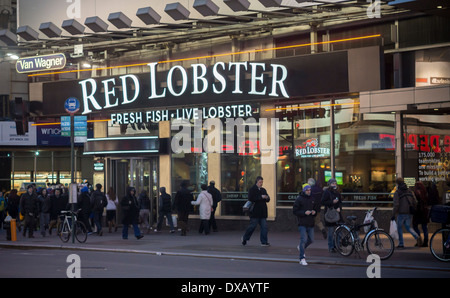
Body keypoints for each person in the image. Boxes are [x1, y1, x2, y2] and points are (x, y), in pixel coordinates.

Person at [293, 184, 320, 265]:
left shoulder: (312, 199)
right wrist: (304, 212)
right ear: (304, 191)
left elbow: (315, 208)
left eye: (310, 190)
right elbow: (295, 211)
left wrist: (314, 212)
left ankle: (301, 248)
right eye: (307, 190)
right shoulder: (299, 199)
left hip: (310, 222)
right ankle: (302, 258)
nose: (309, 191)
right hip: (302, 222)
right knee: (303, 239)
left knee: (311, 240)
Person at [392, 177, 422, 248]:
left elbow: (396, 205)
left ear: (397, 183)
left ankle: (401, 243)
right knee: (408, 227)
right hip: (409, 212)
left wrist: (393, 214)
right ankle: (417, 236)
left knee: (399, 228)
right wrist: (412, 208)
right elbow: (415, 201)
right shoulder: (410, 191)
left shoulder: (397, 192)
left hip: (401, 213)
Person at [241, 176, 270, 246]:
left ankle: (264, 242)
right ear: (256, 182)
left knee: (264, 227)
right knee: (252, 226)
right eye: (260, 182)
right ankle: (245, 238)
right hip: (255, 212)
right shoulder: (252, 189)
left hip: (263, 212)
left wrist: (266, 197)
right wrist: (261, 197)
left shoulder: (263, 190)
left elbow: (268, 199)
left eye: (262, 182)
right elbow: (251, 198)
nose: (261, 183)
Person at [321, 178, 343, 252]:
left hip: (337, 214)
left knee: (339, 230)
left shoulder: (337, 192)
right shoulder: (326, 192)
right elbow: (323, 202)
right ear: (329, 184)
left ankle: (337, 245)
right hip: (330, 214)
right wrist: (332, 202)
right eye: (333, 183)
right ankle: (331, 247)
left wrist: (339, 208)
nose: (334, 185)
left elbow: (340, 202)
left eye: (335, 183)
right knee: (331, 231)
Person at [413, 181, 430, 247]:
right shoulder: (425, 192)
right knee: (424, 227)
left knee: (415, 226)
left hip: (418, 212)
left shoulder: (416, 192)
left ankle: (419, 240)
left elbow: (415, 202)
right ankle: (425, 242)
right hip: (424, 212)